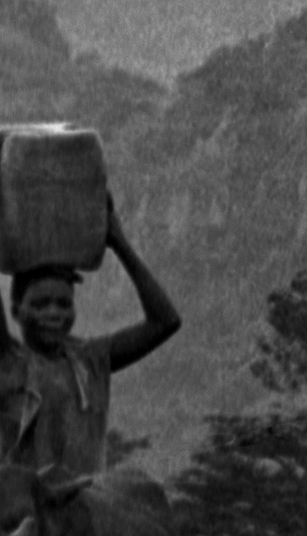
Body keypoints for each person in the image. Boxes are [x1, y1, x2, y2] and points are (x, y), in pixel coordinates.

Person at [0, 199, 182, 481]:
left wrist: (119, 242)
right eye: (40, 304)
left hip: (86, 511)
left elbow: (165, 321)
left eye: (63, 304)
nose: (54, 313)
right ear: (15, 311)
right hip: (27, 515)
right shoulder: (10, 363)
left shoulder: (89, 361)